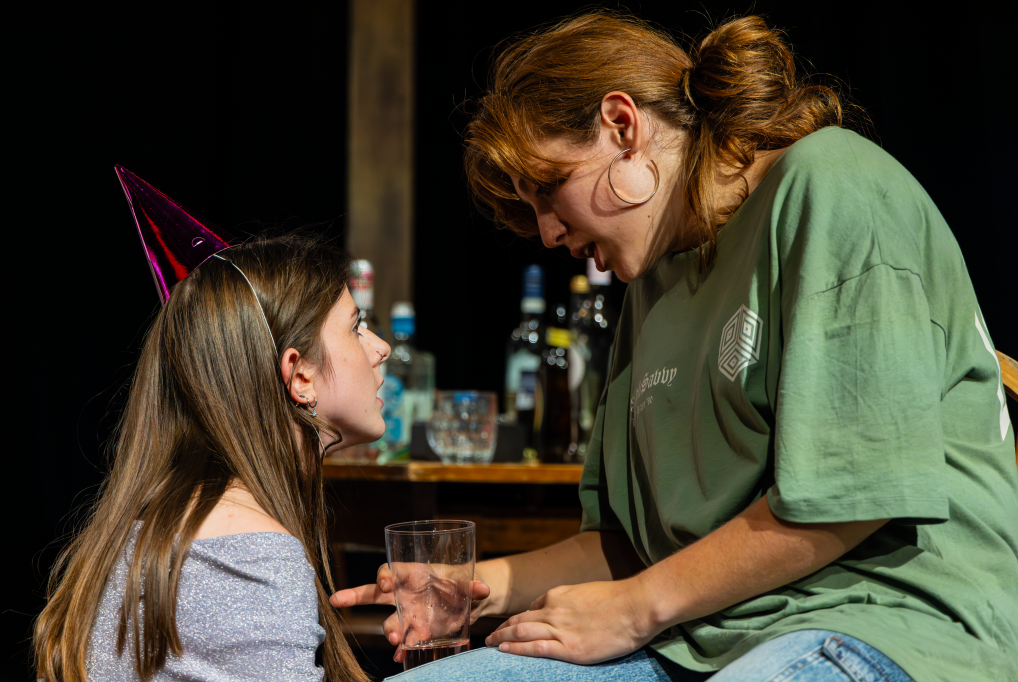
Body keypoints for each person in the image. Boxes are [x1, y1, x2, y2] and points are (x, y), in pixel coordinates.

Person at [334, 11, 1018, 682]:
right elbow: (632, 547)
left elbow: (853, 495)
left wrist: (635, 608)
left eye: (548, 190)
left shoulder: (832, 183)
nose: (546, 233)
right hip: (695, 637)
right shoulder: (654, 278)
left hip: (883, 623)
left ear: (622, 127)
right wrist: (479, 587)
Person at [35, 169, 391, 681]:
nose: (381, 348)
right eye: (357, 327)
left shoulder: (158, 525)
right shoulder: (249, 555)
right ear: (301, 376)